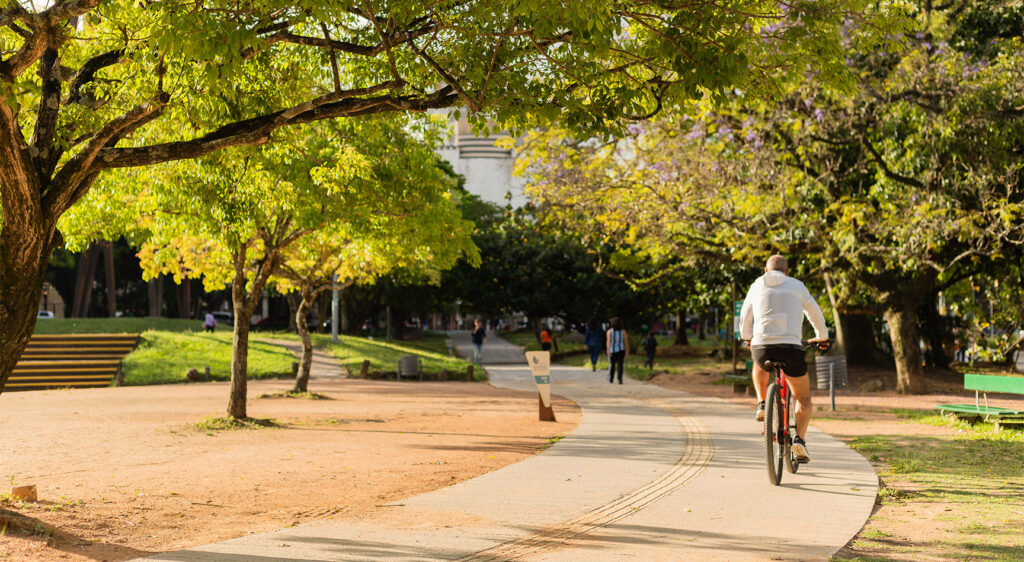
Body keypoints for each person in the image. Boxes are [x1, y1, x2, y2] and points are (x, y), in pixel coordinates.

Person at [739, 254, 830, 464]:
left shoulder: (756, 285)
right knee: (803, 398)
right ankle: (799, 439)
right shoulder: (797, 285)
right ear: (787, 272)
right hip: (791, 348)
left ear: (766, 271)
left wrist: (746, 337)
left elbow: (745, 315)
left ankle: (762, 403)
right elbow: (814, 313)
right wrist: (822, 337)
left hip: (762, 347)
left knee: (759, 363)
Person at [606, 317, 628, 384]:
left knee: (612, 365)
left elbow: (608, 342)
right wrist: (627, 351)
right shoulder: (623, 331)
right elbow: (626, 342)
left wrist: (608, 351)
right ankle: (620, 379)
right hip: (621, 350)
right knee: (620, 365)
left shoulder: (609, 331)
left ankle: (611, 378)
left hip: (612, 350)